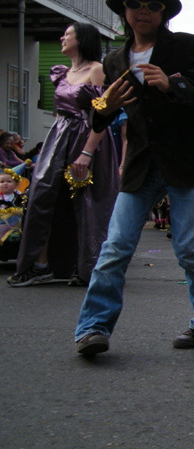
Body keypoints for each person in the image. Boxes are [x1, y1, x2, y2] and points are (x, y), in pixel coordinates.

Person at [74, 0, 194, 355]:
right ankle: (93, 329)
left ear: (163, 12)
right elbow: (101, 115)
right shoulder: (114, 59)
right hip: (140, 165)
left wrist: (173, 83)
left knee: (189, 248)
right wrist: (103, 106)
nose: (143, 11)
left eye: (152, 5)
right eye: (135, 4)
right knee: (115, 248)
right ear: (124, 11)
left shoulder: (186, 46)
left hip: (183, 161)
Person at [9, 23, 119, 287]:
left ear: (81, 39)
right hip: (58, 139)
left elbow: (102, 114)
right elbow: (60, 113)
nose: (62, 37)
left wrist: (86, 153)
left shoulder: (97, 70)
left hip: (87, 139)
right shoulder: (62, 73)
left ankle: (88, 268)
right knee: (42, 197)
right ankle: (40, 265)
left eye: (67, 34)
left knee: (87, 201)